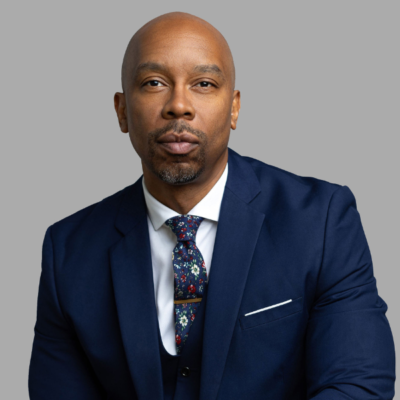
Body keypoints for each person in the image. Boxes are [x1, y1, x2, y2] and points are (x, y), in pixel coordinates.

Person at [28, 11, 396, 400]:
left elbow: (357, 385)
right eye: (154, 83)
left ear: (234, 108)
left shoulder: (321, 221)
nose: (179, 105)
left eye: (204, 84)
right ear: (122, 111)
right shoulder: (68, 252)